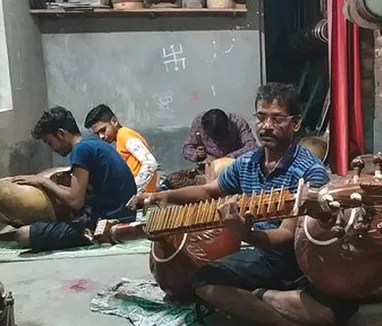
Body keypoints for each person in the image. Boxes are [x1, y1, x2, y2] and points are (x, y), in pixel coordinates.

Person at [130, 83, 358, 326]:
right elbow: (210, 190)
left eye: (277, 119)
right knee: (204, 282)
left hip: (301, 261)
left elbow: (285, 235)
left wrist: (245, 233)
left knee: (331, 313)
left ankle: (260, 296)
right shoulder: (247, 163)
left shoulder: (310, 173)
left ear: (296, 123)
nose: (267, 126)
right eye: (261, 117)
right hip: (263, 257)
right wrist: (165, 196)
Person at [11, 106, 137, 252]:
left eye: (49, 142)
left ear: (60, 133)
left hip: (108, 223)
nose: (52, 149)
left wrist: (43, 181)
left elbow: (75, 201)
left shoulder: (80, 150)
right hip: (125, 215)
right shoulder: (92, 143)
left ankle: (91, 236)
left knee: (23, 234)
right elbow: (80, 193)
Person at [84, 104, 159, 193]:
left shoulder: (124, 135)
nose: (101, 136)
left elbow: (150, 163)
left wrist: (134, 191)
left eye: (103, 130)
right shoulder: (120, 138)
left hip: (140, 196)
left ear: (114, 121)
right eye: (97, 134)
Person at [182, 108, 258, 163]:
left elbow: (252, 147)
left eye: (221, 137)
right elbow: (186, 149)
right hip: (209, 167)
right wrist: (198, 154)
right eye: (214, 138)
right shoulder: (198, 123)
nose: (218, 142)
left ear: (228, 125)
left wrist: (230, 157)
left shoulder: (238, 123)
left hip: (235, 165)